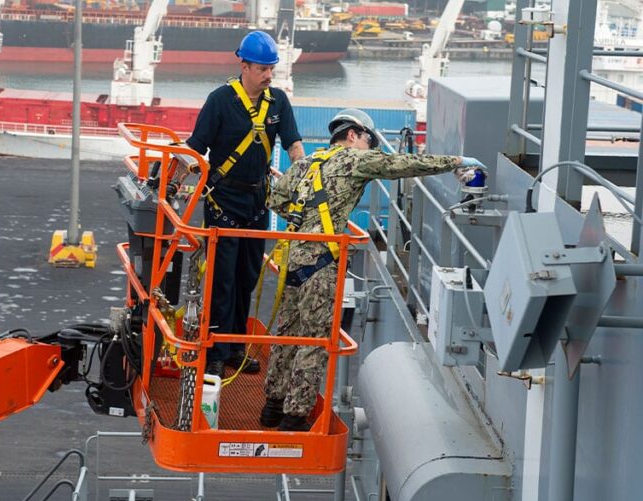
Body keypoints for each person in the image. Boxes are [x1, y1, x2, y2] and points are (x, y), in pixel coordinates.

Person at [260, 108, 487, 431]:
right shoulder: (355, 160)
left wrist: (309, 219)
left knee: (286, 334)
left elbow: (276, 201)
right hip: (321, 264)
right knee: (314, 340)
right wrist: (456, 162)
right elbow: (403, 165)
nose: (372, 148)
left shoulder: (306, 163)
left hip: (293, 261)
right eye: (370, 141)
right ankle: (294, 418)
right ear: (353, 135)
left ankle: (271, 407)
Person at [186, 31, 305, 378]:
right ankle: (215, 352)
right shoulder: (220, 101)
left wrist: (304, 173)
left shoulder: (278, 102)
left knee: (247, 278)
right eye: (263, 69)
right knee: (221, 280)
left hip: (257, 202)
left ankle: (235, 349)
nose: (269, 75)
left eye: (271, 69)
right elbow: (196, 146)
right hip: (223, 202)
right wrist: (172, 176)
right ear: (244, 66)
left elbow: (293, 143)